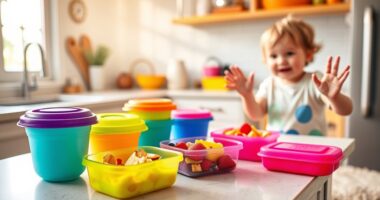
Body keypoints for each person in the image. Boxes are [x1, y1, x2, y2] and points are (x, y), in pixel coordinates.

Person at [224, 16, 353, 136]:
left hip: (311, 153)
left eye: (289, 53)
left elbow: (346, 110)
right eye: (273, 56)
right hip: (278, 151)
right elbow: (256, 115)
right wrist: (247, 96)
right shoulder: (269, 85)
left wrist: (335, 98)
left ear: (308, 54)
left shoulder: (316, 81)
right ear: (265, 59)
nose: (281, 61)